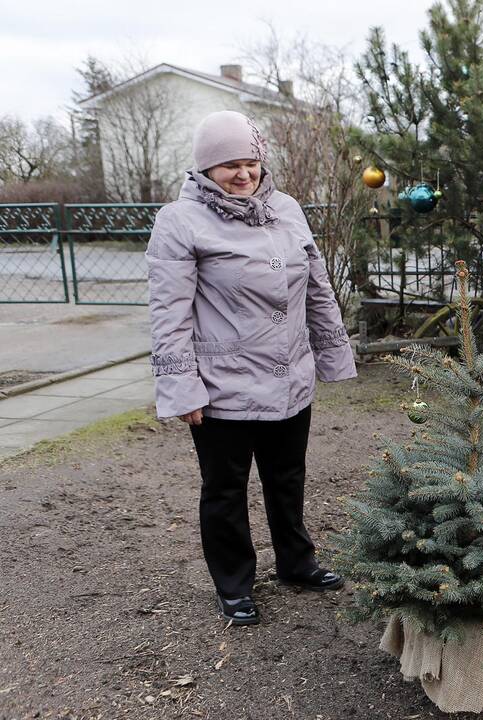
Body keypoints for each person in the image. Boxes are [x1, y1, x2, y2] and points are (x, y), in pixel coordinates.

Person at [147, 110, 357, 626]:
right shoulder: (180, 222)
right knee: (225, 489)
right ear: (204, 170)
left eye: (251, 163)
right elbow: (169, 314)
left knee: (288, 477)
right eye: (229, 166)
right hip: (223, 387)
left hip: (291, 376)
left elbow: (317, 288)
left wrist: (331, 355)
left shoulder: (285, 208)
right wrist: (182, 387)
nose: (243, 174)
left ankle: (296, 562)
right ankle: (235, 583)